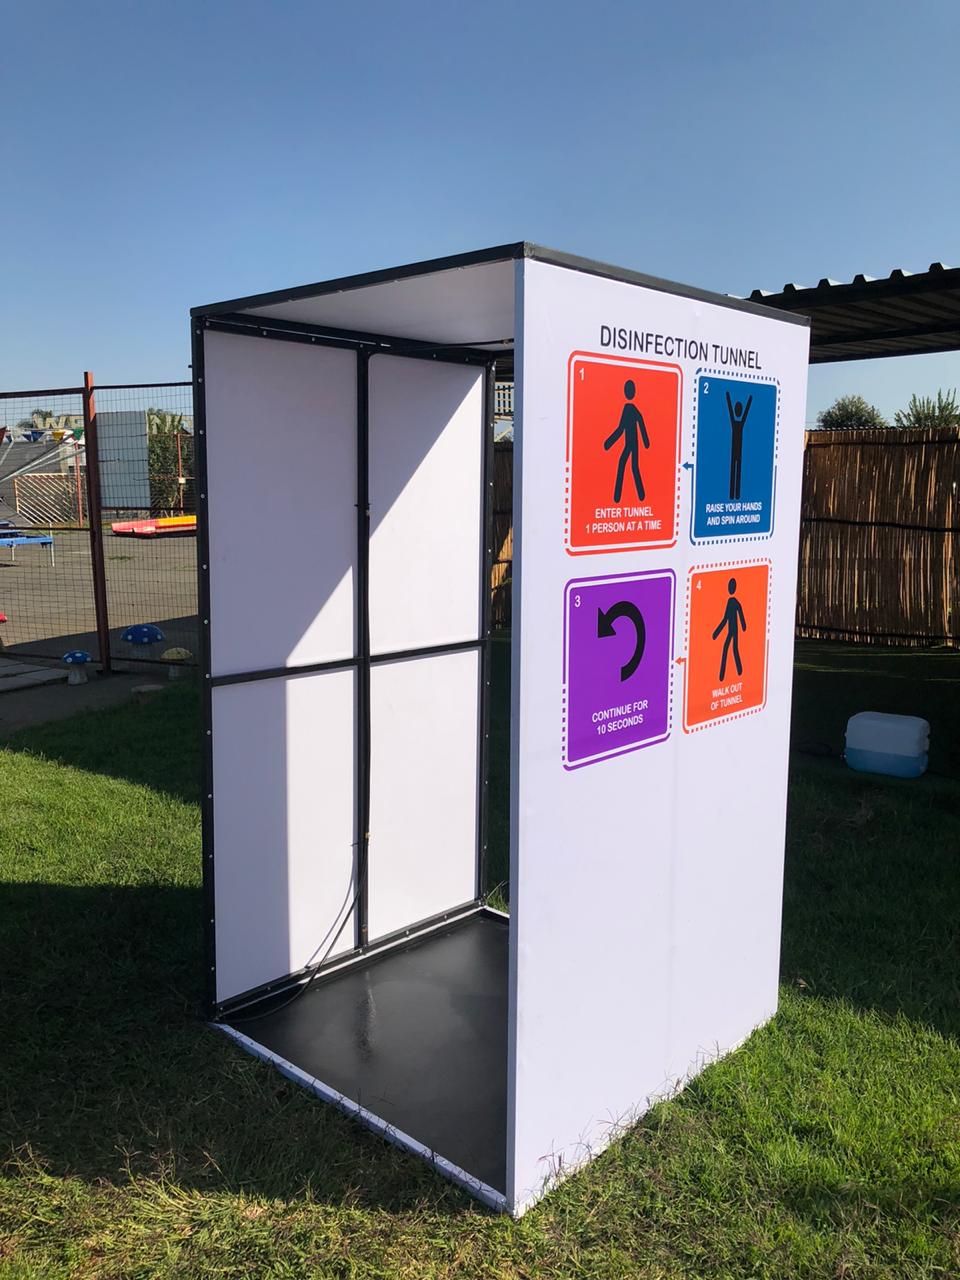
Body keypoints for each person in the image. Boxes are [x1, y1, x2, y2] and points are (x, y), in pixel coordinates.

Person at [604, 379, 649, 503]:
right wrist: (646, 442)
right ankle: (639, 495)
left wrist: (609, 443)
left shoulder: (629, 410)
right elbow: (639, 423)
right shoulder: (632, 409)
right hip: (632, 444)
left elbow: (621, 429)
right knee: (631, 466)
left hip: (631, 444)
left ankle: (621, 497)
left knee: (627, 465)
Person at [712, 577, 746, 681]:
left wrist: (743, 625)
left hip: (733, 630)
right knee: (732, 648)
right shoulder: (731, 602)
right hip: (732, 630)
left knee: (730, 648)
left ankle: (725, 674)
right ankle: (737, 670)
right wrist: (716, 632)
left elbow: (739, 613)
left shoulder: (734, 602)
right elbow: (726, 618)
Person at [725, 391, 753, 500]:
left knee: (736, 471)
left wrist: (749, 400)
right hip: (736, 450)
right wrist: (728, 396)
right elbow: (731, 410)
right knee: (734, 471)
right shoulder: (738, 422)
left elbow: (743, 411)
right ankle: (733, 495)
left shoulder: (739, 422)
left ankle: (735, 495)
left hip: (737, 450)